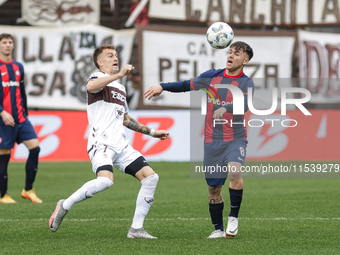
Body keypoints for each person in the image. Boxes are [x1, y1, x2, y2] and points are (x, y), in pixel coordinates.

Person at [49, 44, 169, 239]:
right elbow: (90, 87)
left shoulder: (120, 88)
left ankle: (136, 229)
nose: (115, 58)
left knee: (151, 178)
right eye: (110, 55)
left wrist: (153, 132)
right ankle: (64, 205)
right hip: (101, 143)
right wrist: (120, 74)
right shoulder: (96, 78)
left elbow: (126, 120)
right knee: (105, 181)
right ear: (100, 62)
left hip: (121, 145)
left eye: (116, 55)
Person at [144, 41, 254, 238]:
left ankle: (234, 217)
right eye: (230, 52)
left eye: (237, 54)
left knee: (235, 171)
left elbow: (245, 104)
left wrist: (226, 108)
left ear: (245, 61)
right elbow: (186, 85)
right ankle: (218, 230)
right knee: (214, 188)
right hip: (212, 141)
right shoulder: (212, 76)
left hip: (235, 138)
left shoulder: (246, 83)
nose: (231, 55)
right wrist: (162, 86)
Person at [0, 33, 42, 204]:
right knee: (4, 156)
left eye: (10, 42)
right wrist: (2, 112)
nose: (8, 45)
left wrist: (24, 112)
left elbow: (21, 91)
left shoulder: (18, 67)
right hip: (3, 120)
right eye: (4, 42)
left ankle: (28, 189)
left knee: (35, 148)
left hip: (21, 118)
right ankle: (3, 195)